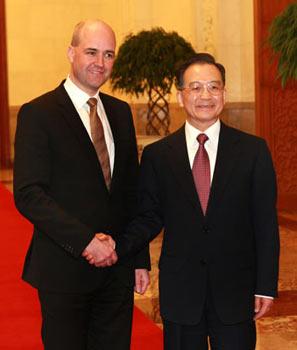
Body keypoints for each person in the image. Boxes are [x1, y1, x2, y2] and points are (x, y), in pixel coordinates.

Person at [90, 53, 280, 349]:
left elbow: (265, 224)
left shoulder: (253, 151)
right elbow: (147, 217)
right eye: (195, 87)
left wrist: (266, 286)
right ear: (180, 96)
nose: (205, 95)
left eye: (213, 87)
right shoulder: (158, 156)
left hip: (235, 292)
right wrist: (121, 247)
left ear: (224, 95)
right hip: (181, 293)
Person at [13, 19, 150, 350]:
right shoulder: (39, 113)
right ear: (71, 52)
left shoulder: (120, 112)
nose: (100, 63)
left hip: (117, 269)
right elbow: (29, 194)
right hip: (65, 268)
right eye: (91, 52)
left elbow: (132, 193)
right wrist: (87, 242)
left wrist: (139, 257)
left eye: (108, 55)